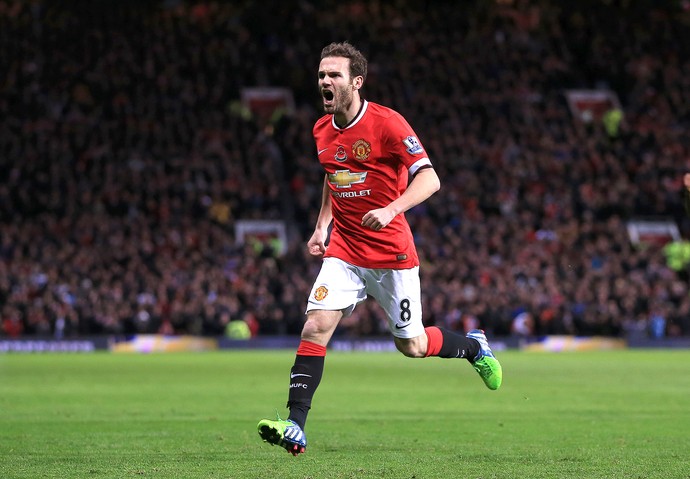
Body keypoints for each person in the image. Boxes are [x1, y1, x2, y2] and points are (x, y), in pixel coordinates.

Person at [257, 41, 502, 456]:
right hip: (345, 252)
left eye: (334, 75)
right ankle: (294, 425)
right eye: (321, 75)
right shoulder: (321, 129)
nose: (325, 81)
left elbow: (430, 179)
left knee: (413, 345)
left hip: (392, 257)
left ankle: (474, 346)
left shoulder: (388, 124)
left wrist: (391, 209)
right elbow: (333, 176)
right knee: (315, 326)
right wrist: (322, 226)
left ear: (356, 81)